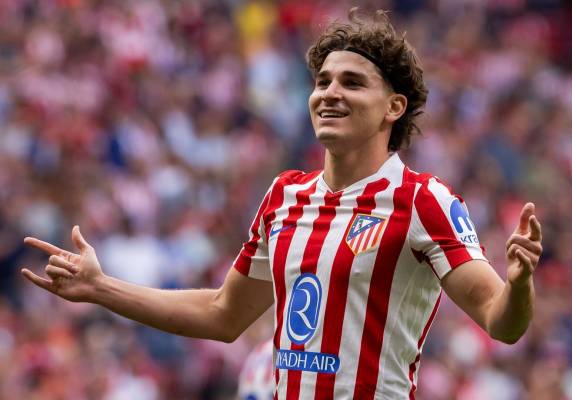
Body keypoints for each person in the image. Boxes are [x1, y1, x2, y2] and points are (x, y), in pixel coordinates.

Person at [22, 9, 542, 400]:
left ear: (394, 107)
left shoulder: (423, 200)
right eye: (322, 81)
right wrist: (101, 288)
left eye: (352, 82)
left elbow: (501, 322)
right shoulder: (285, 196)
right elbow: (223, 314)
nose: (329, 93)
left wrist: (518, 285)